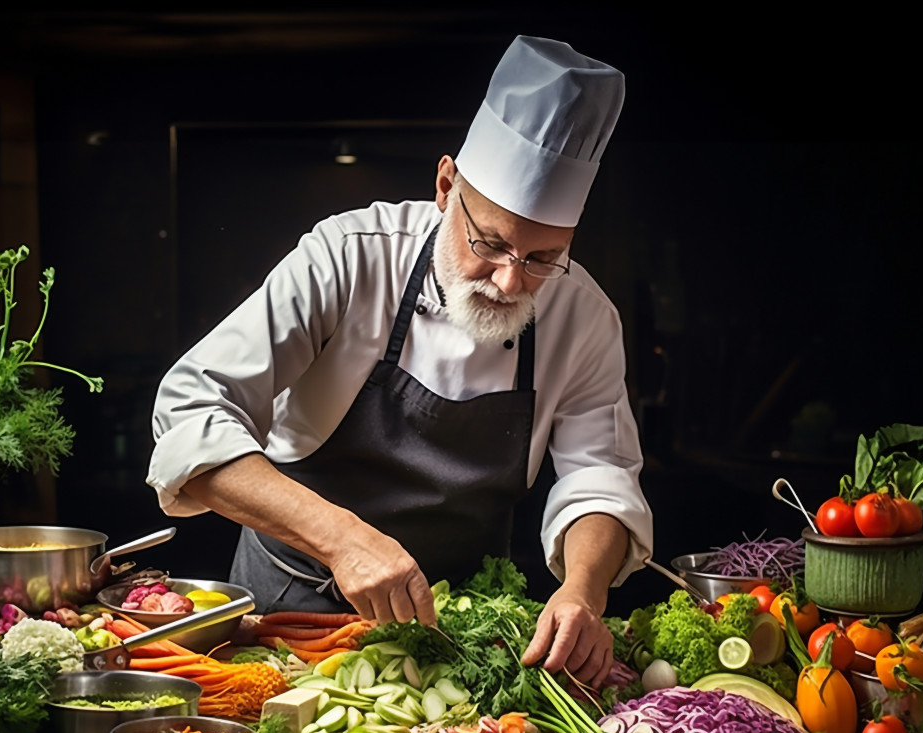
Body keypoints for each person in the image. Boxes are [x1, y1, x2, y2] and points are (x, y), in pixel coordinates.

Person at [147, 35, 652, 687]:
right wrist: (339, 536)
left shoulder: (584, 316)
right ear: (445, 186)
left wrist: (584, 589)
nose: (509, 281)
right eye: (489, 243)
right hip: (287, 623)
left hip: (457, 638)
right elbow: (190, 411)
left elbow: (600, 476)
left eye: (542, 258)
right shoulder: (348, 257)